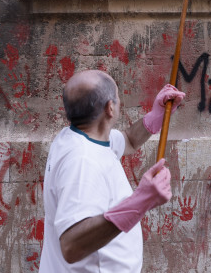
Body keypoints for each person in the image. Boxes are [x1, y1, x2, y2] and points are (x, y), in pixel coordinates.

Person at [39, 70, 185, 272]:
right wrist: (139, 202)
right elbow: (71, 246)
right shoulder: (82, 162)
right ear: (110, 108)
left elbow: (129, 140)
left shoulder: (77, 136)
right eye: (117, 97)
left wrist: (155, 116)